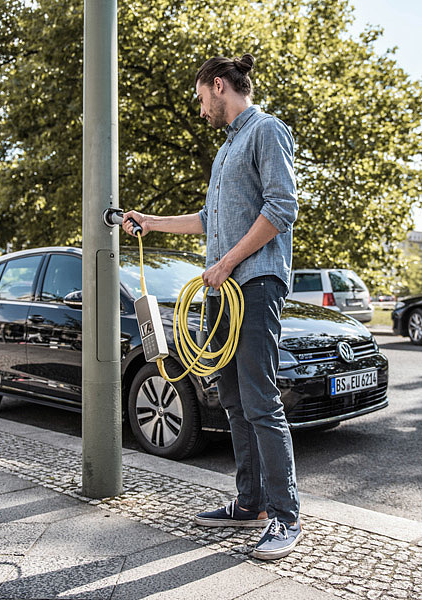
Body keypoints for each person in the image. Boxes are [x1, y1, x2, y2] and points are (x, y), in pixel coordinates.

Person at [123, 53, 301, 560]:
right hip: (223, 293)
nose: (201, 111)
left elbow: (281, 209)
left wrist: (227, 263)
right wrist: (151, 222)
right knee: (233, 400)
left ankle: (286, 516)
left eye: (202, 99)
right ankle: (250, 504)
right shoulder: (226, 152)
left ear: (219, 86)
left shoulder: (266, 131)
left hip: (255, 285)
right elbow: (208, 218)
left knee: (262, 402)